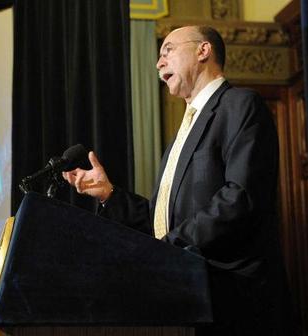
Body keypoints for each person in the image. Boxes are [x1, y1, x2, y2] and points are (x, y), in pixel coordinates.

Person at [63, 25, 293, 335]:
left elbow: (240, 199)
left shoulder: (240, 105)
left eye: (167, 50)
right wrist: (110, 195)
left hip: (235, 299)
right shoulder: (180, 136)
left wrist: (166, 249)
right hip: (188, 297)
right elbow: (164, 225)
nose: (159, 63)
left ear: (203, 50)